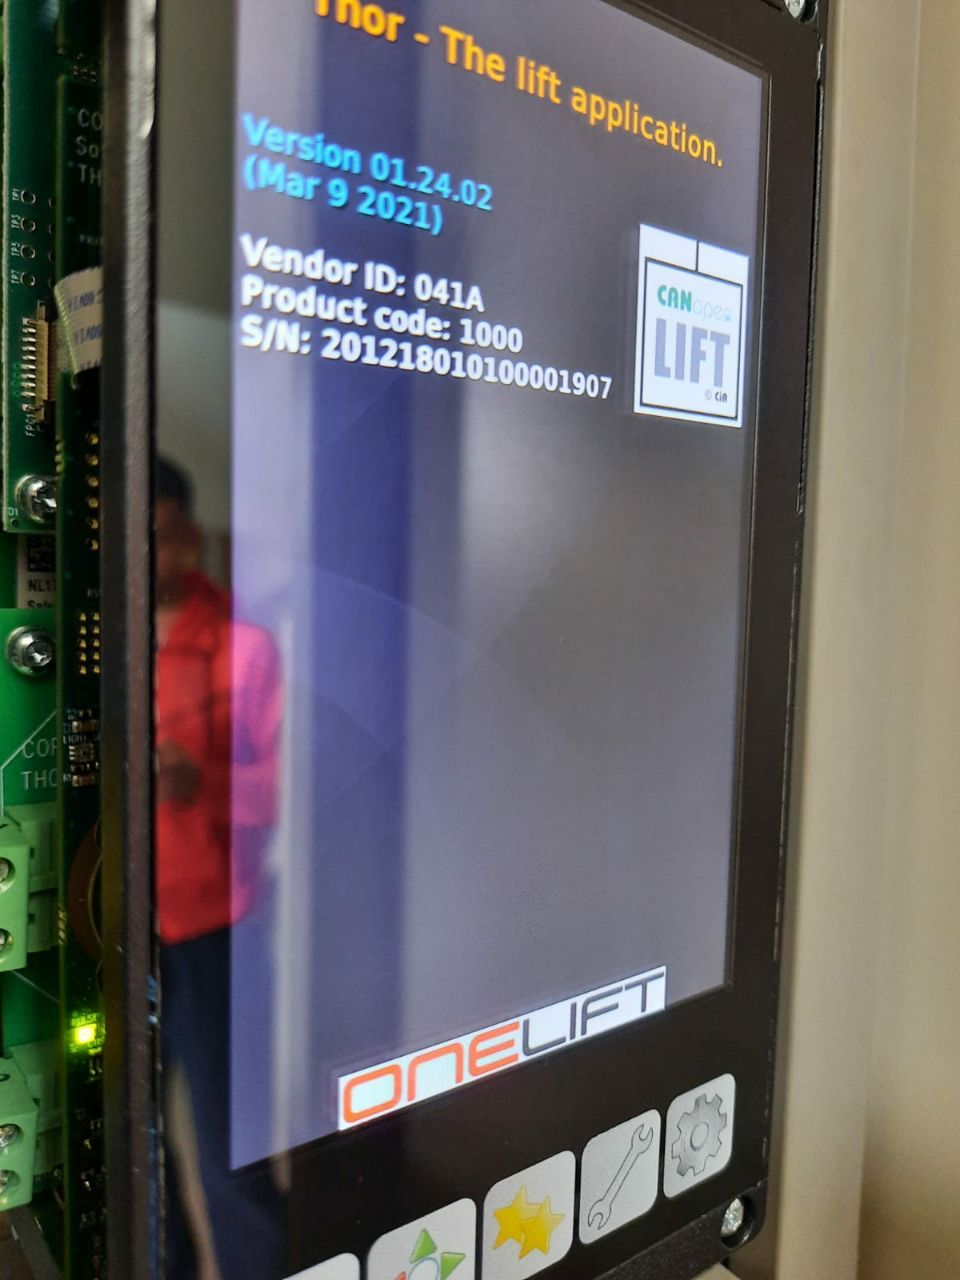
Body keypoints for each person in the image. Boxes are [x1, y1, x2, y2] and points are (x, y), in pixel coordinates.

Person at [155, 456, 285, 1279]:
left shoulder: (244, 647)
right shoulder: (100, 641)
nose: (149, 555)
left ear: (191, 538)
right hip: (117, 934)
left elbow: (276, 793)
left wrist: (197, 782)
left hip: (216, 932)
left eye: (164, 536)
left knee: (231, 1154)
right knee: (130, 1145)